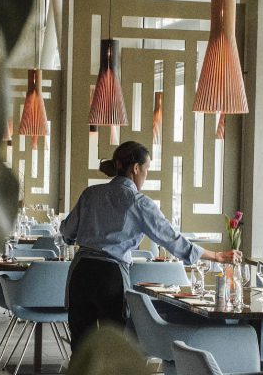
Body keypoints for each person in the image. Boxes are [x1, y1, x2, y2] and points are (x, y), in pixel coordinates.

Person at [59, 141, 240, 351]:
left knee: (80, 348)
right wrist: (216, 256)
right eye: (146, 170)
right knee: (114, 349)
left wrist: (78, 238)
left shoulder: (90, 194)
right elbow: (171, 239)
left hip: (81, 273)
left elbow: (66, 232)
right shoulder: (138, 202)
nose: (145, 175)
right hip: (110, 277)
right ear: (135, 168)